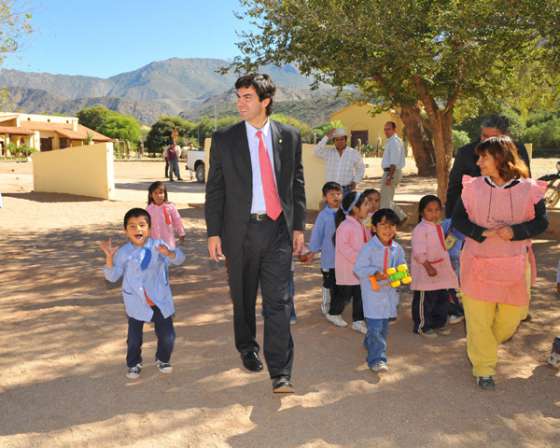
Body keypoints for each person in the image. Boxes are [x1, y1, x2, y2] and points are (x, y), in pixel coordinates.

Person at [205, 73, 306, 394]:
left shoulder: (289, 137)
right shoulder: (224, 139)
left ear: (265, 101)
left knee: (279, 302)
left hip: (277, 231)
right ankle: (247, 346)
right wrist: (214, 233)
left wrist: (298, 226)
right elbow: (215, 190)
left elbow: (296, 186)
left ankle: (281, 371)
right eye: (238, 96)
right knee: (244, 297)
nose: (240, 102)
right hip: (241, 232)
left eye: (247, 97)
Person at [452, 136, 548, 390]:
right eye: (479, 157)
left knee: (513, 316)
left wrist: (516, 231)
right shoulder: (472, 187)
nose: (479, 162)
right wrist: (480, 232)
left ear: (501, 158)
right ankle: (483, 368)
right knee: (478, 320)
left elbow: (541, 223)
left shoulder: (528, 189)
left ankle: (483, 345)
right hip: (476, 261)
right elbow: (458, 221)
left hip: (515, 264)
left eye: (484, 157)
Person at [99, 208, 185, 379]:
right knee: (134, 339)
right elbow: (112, 276)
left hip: (159, 300)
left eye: (142, 225)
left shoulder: (158, 245)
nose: (137, 229)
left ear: (149, 228)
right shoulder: (123, 252)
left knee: (168, 336)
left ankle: (162, 359)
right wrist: (109, 258)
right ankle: (133, 363)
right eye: (132, 226)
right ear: (125, 231)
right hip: (136, 302)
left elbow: (180, 259)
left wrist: (169, 253)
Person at [446, 114, 531, 218]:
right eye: (484, 136)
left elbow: (525, 182)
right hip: (473, 217)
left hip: (510, 217)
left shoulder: (518, 150)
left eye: (493, 138)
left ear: (505, 135)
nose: (487, 141)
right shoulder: (465, 153)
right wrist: (451, 219)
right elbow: (454, 188)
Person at [354, 208, 406, 372]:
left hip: (389, 295)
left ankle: (370, 341)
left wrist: (400, 275)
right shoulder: (368, 248)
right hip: (372, 296)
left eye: (391, 226)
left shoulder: (397, 249)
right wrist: (374, 273)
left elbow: (402, 267)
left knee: (382, 327)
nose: (388, 230)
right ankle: (377, 359)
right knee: (376, 328)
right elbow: (359, 268)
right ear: (374, 228)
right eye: (383, 225)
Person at [410, 195, 459, 338]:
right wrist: (428, 266)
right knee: (425, 300)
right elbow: (419, 252)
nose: (434, 213)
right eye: (430, 210)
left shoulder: (437, 226)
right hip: (426, 270)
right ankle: (422, 326)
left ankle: (437, 324)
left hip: (440, 270)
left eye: (437, 210)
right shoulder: (420, 229)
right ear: (421, 212)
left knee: (441, 299)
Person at [328, 191, 370, 333]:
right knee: (344, 296)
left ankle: (358, 320)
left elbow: (368, 242)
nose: (368, 206)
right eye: (365, 204)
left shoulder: (362, 225)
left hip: (360, 270)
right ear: (355, 209)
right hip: (348, 271)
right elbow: (344, 248)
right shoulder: (345, 226)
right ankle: (333, 313)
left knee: (360, 295)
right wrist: (360, 258)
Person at [302, 181, 343, 316]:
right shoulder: (323, 216)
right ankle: (326, 305)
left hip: (342, 259)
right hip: (328, 259)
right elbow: (317, 235)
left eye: (338, 193)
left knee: (339, 284)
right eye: (332, 194)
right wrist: (312, 252)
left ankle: (337, 306)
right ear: (325, 197)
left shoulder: (346, 213)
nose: (336, 197)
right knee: (329, 283)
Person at [314, 128, 365, 195]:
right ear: (334, 141)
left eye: (342, 139)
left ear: (346, 140)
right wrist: (326, 137)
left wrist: (355, 181)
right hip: (330, 189)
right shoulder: (328, 152)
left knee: (346, 206)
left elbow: (361, 168)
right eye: (337, 139)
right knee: (329, 206)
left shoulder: (353, 153)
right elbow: (317, 151)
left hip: (346, 189)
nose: (339, 142)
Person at [380, 121, 407, 222]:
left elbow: (394, 162)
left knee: (385, 199)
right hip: (390, 172)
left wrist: (389, 177)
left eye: (388, 129)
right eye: (385, 129)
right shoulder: (392, 141)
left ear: (394, 130)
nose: (386, 131)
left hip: (391, 172)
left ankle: (390, 220)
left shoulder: (394, 142)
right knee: (385, 198)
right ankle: (401, 216)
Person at [146, 181, 185, 249]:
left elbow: (177, 221)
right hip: (154, 241)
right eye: (155, 193)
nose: (159, 196)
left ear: (165, 194)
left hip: (168, 240)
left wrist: (181, 233)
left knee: (169, 257)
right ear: (151, 195)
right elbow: (145, 224)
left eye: (161, 193)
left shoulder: (170, 207)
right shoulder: (149, 209)